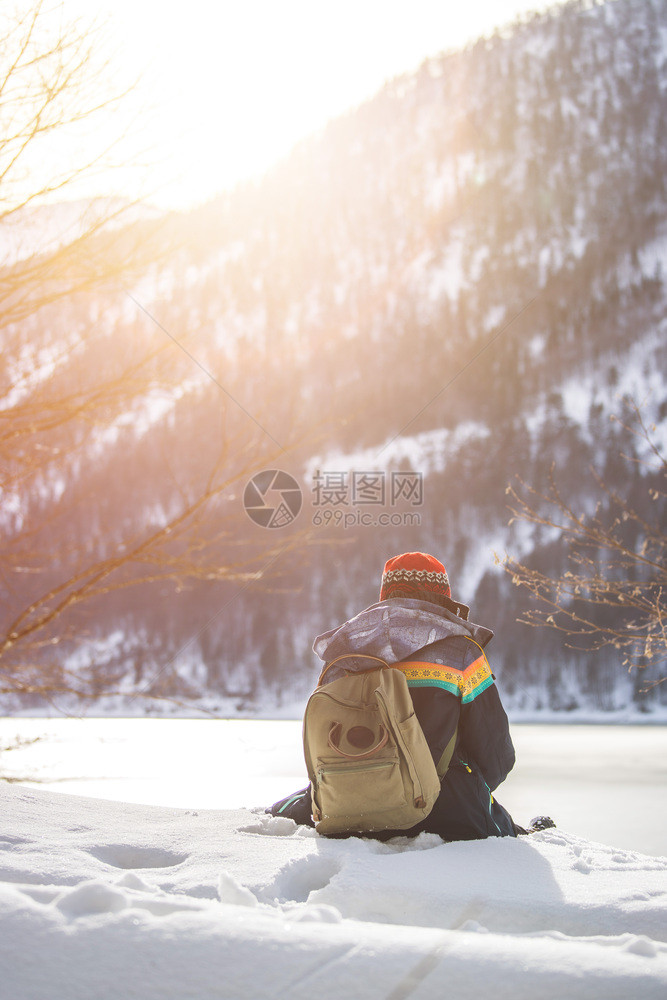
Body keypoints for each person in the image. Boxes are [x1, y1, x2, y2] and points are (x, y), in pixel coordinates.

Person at [269, 551, 553, 840]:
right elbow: (496, 757)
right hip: (445, 811)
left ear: (385, 594)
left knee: (283, 809)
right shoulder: (462, 653)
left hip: (345, 805)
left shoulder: (342, 652)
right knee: (504, 826)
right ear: (442, 596)